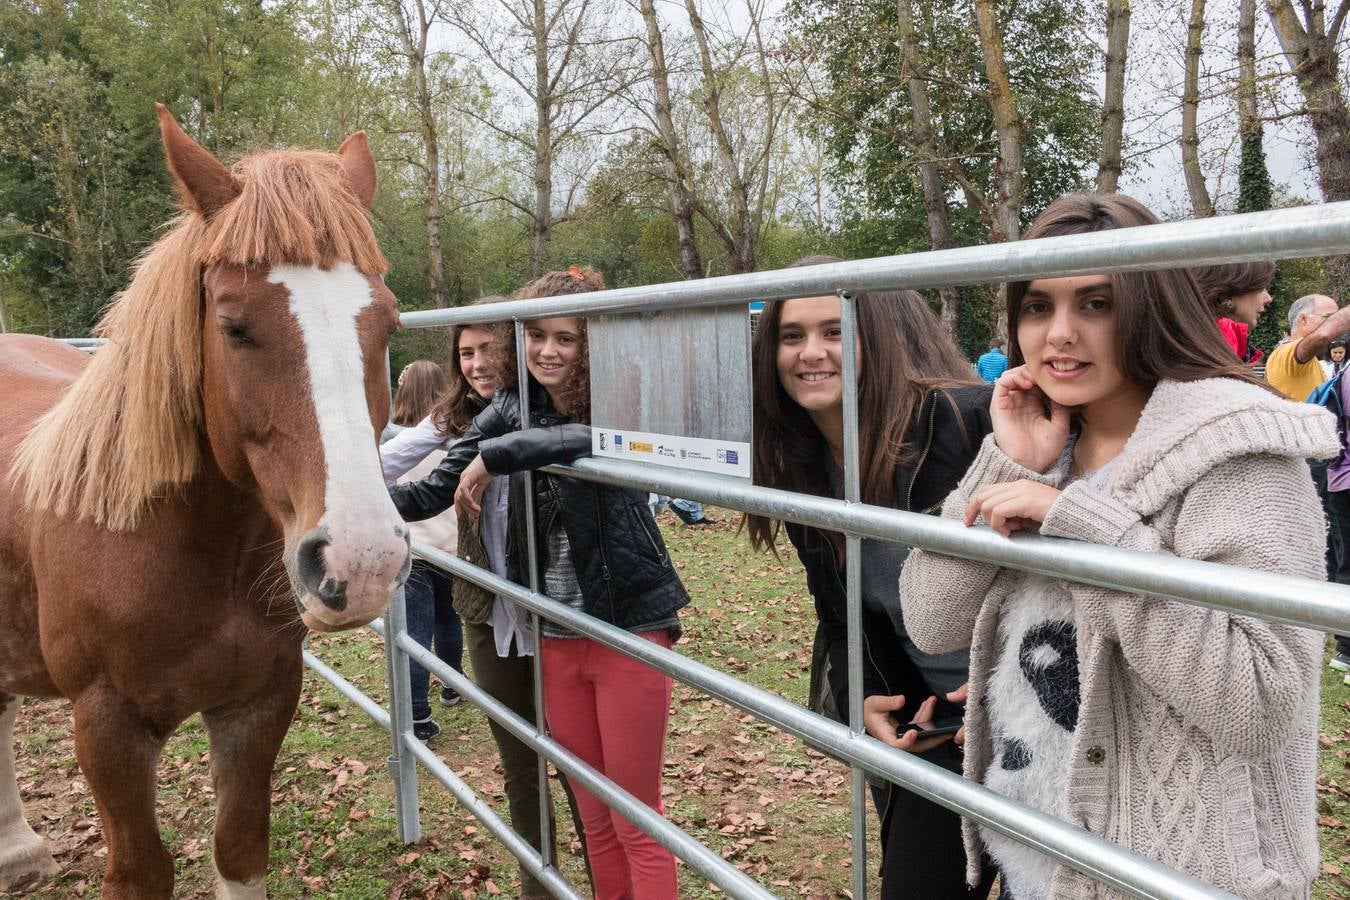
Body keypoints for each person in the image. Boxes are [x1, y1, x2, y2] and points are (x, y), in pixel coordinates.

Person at [899, 193, 1333, 899]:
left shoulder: (1239, 451)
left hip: (1174, 873)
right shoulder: (1047, 441)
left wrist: (1082, 525)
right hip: (1035, 864)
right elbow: (930, 617)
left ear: (1151, 304)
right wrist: (1011, 463)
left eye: (1096, 304)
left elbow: (1262, 702)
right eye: (1037, 306)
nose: (1058, 335)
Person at [389, 266, 687, 900]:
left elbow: (604, 440)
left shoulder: (619, 393)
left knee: (635, 813)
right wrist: (355, 502)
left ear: (592, 345)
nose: (548, 352)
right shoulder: (508, 404)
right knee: (597, 809)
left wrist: (499, 456)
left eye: (567, 339)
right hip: (553, 628)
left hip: (626, 622)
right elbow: (434, 487)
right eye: (536, 336)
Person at [745, 255, 995, 900]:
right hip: (936, 723)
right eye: (791, 335)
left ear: (875, 337)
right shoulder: (798, 463)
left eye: (834, 331)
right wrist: (859, 696)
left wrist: (1013, 696)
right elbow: (841, 613)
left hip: (1038, 715)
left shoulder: (965, 418)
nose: (810, 353)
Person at [379, 302, 588, 898]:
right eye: (465, 353)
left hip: (558, 613)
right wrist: (338, 484)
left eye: (489, 349)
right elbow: (397, 467)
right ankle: (539, 885)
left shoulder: (549, 411)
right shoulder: (454, 421)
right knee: (520, 761)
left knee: (578, 764)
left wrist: (496, 457)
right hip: (487, 609)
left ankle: (605, 881)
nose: (477, 364)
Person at [381, 360, 464, 741]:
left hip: (411, 548)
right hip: (449, 546)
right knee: (450, 620)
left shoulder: (391, 442)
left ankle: (416, 712)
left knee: (415, 631)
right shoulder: (455, 437)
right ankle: (452, 684)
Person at [1265, 292, 1350, 401]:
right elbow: (1323, 335)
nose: (1334, 325)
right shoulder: (1285, 353)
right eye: (1329, 317)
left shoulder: (1310, 360)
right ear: (1303, 320)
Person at [1192, 260, 1275, 365]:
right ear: (1226, 296)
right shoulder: (1216, 354)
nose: (1268, 299)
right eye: (1260, 288)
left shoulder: (1201, 342)